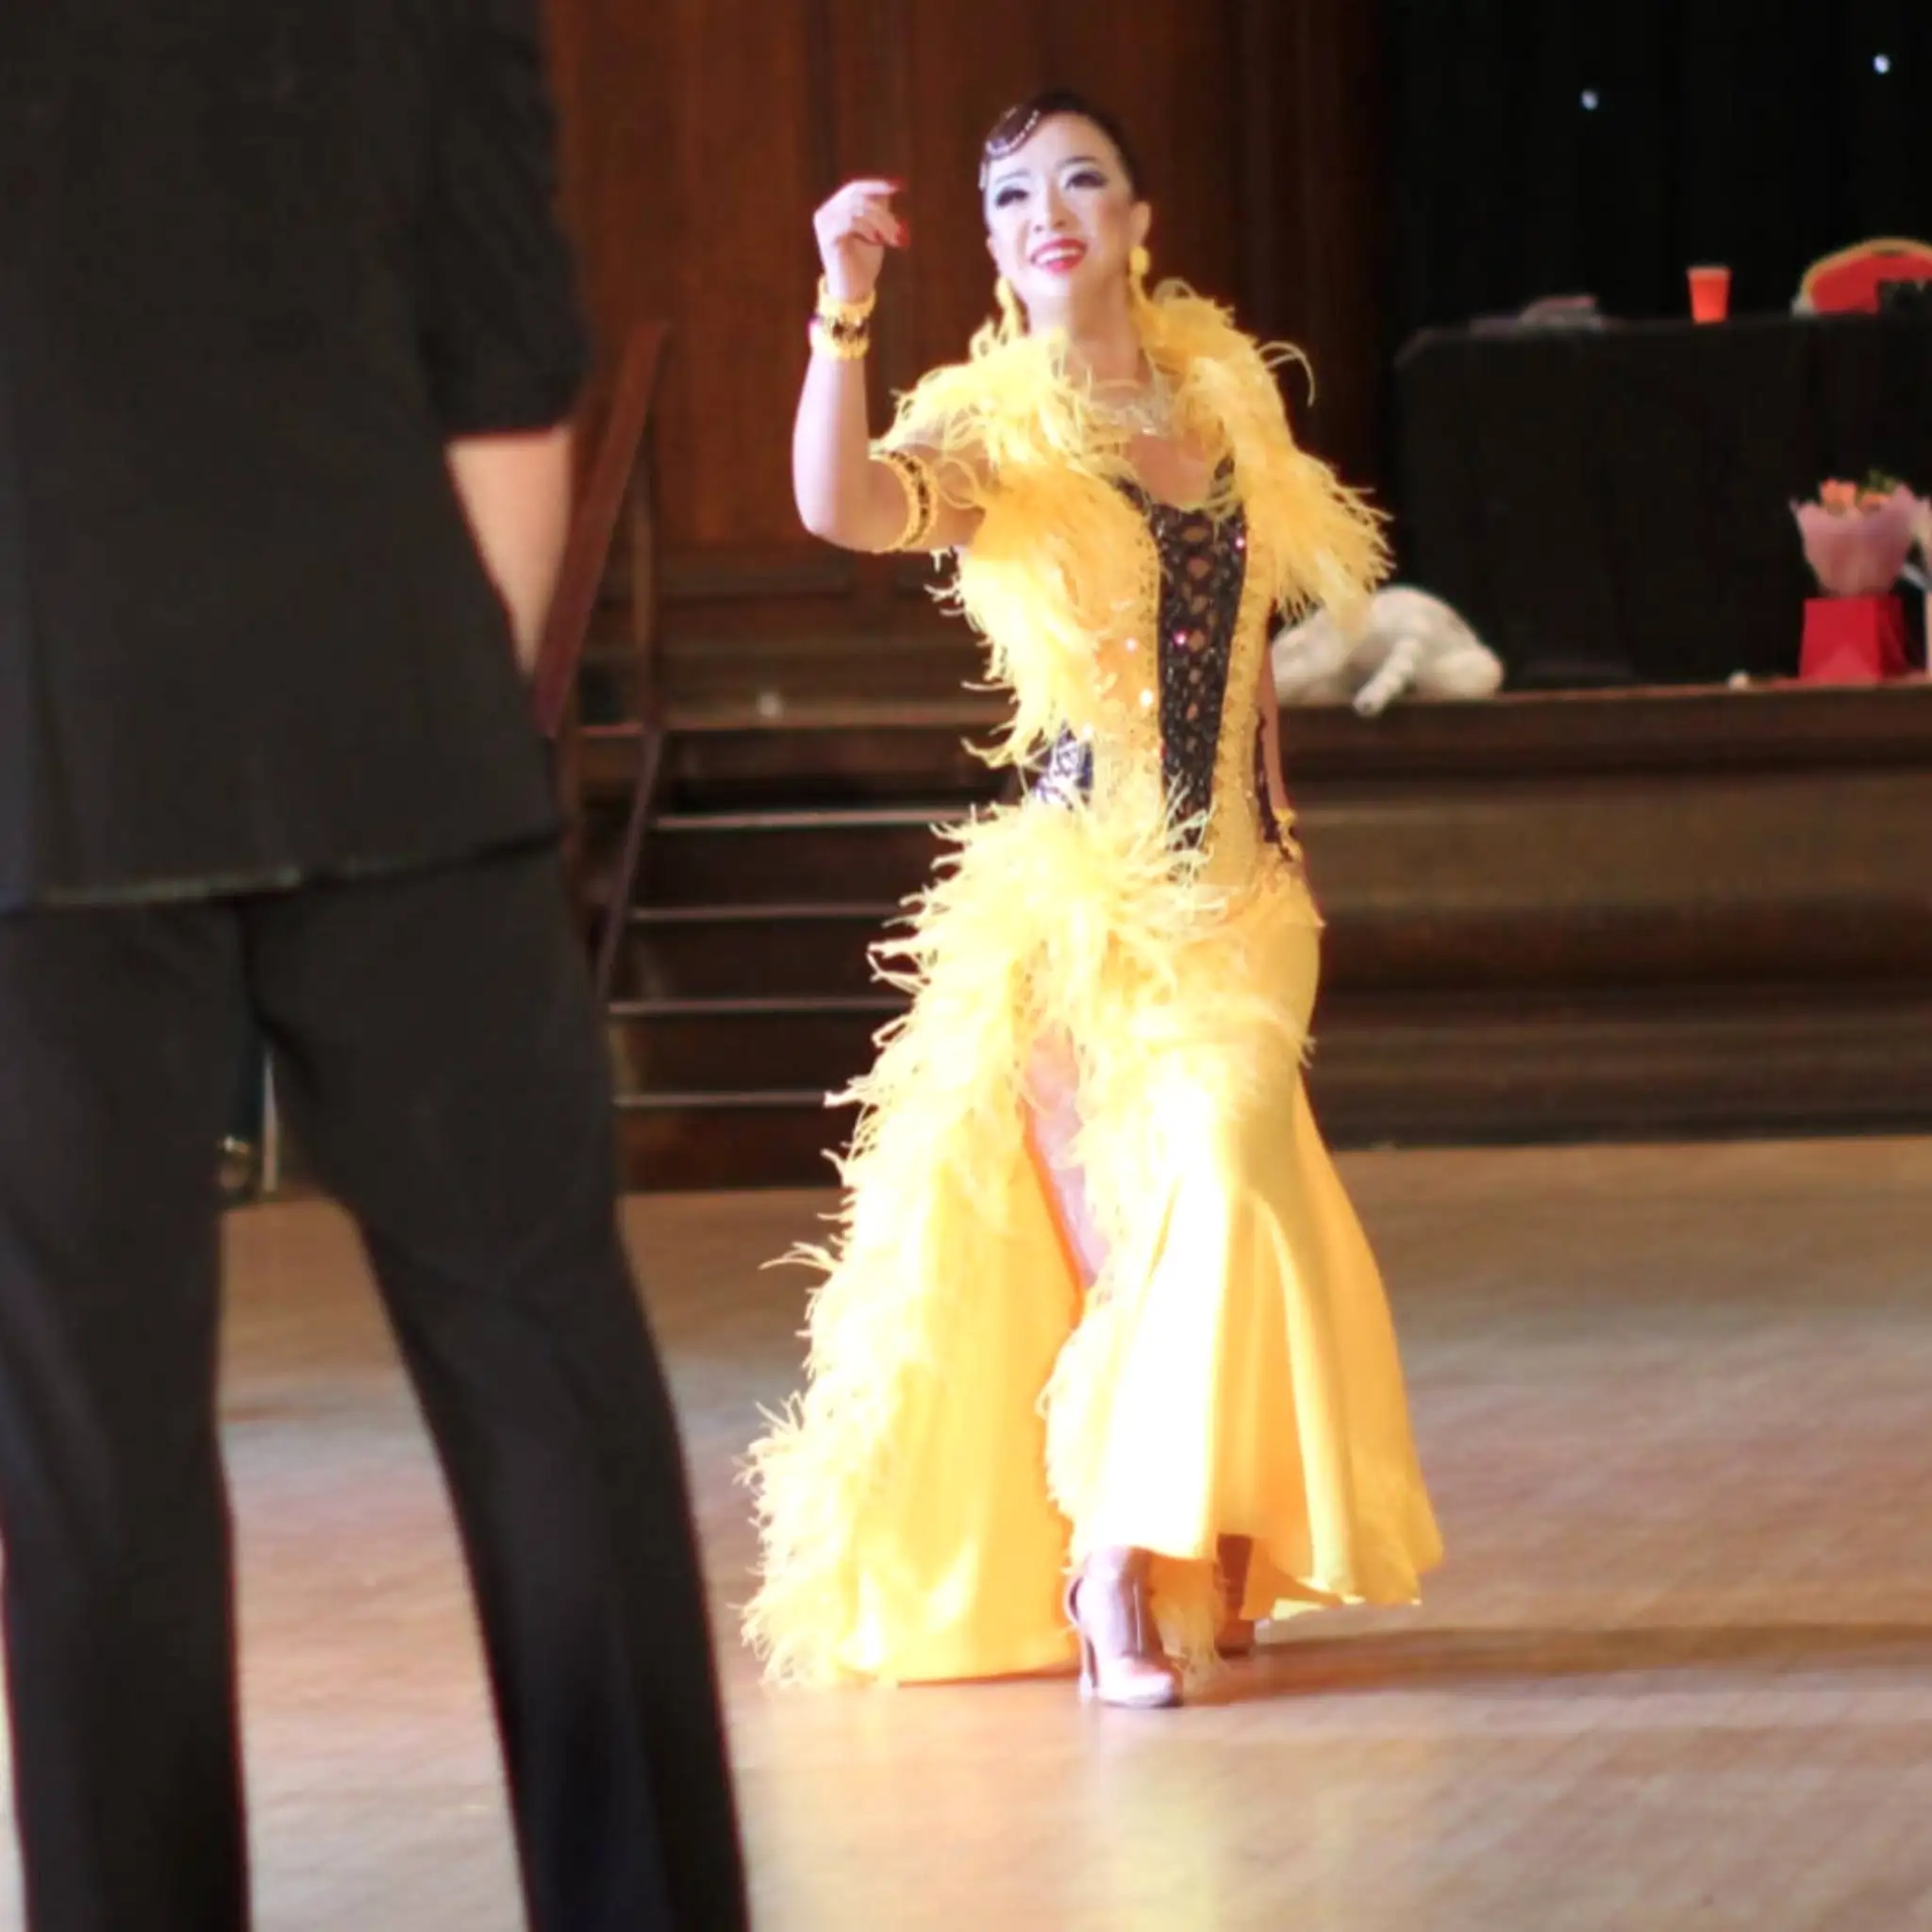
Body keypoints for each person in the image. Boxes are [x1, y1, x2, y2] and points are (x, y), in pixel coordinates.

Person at [0, 5, 746, 1927]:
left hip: (43, 761)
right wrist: (467, 721)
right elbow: (506, 380)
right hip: (397, 715)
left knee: (93, 1457)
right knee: (546, 1374)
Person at [744, 91, 1443, 1709]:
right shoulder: (999, 430)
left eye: (1081, 181)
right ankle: (1120, 1564)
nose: (1045, 211)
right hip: (1082, 907)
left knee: (1236, 1172)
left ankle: (1159, 1540)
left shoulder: (1226, 412)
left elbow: (1253, 646)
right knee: (1167, 1211)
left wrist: (1282, 823)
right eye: (1008, 199)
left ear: (1138, 221)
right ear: (992, 250)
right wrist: (841, 312)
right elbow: (838, 507)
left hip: (1249, 904)